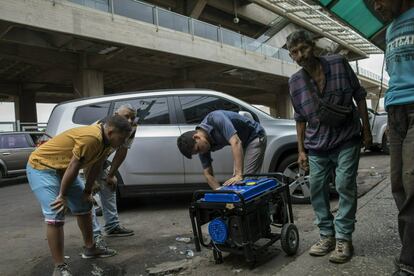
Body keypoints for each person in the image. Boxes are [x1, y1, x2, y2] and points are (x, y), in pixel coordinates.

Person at [286, 30, 372, 263]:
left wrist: (367, 130)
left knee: (344, 184)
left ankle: (344, 238)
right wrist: (301, 150)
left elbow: (360, 95)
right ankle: (327, 236)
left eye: (303, 48)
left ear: (312, 46)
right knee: (316, 189)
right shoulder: (294, 82)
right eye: (294, 52)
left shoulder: (339, 63)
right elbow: (299, 119)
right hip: (317, 144)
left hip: (346, 137)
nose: (300, 55)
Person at [26, 115, 132, 276]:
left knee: (85, 204)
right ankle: (59, 266)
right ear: (110, 132)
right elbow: (74, 167)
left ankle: (90, 248)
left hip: (63, 168)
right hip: (42, 167)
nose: (123, 142)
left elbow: (96, 165)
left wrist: (87, 191)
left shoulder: (107, 143)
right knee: (56, 212)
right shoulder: (92, 138)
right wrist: (62, 195)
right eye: (121, 138)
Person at [372, 1, 414, 275]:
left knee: (412, 183)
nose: (376, 6)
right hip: (395, 111)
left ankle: (409, 261)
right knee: (397, 184)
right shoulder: (389, 30)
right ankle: (408, 249)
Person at [176, 110, 266, 190]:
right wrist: (220, 191)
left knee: (246, 179)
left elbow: (236, 142)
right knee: (237, 183)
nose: (201, 153)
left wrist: (239, 175)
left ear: (196, 137)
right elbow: (208, 174)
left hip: (255, 136)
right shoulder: (202, 145)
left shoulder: (216, 118)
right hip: (241, 142)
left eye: (199, 149)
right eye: (197, 153)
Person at [91, 105, 137, 248]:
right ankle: (94, 235)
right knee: (87, 197)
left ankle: (112, 227)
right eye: (126, 116)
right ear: (115, 114)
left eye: (132, 117)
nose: (129, 120)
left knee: (109, 187)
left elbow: (122, 151)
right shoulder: (100, 127)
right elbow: (90, 157)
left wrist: (110, 175)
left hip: (101, 159)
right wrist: (90, 183)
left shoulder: (132, 128)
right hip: (86, 160)